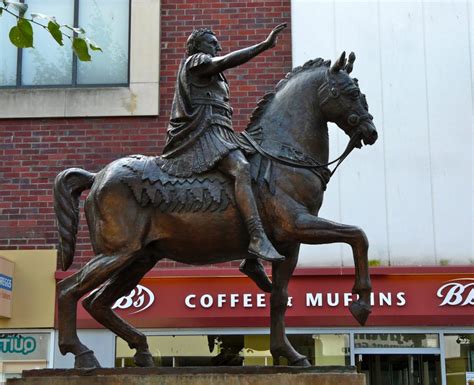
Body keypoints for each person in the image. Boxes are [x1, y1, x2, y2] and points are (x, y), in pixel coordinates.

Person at [161, 24, 287, 275]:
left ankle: (251, 260)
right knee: (241, 168)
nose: (217, 46)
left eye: (217, 43)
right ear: (198, 46)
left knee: (261, 164)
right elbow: (227, 60)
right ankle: (257, 238)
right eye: (212, 42)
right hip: (203, 134)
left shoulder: (212, 73)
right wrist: (263, 45)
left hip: (222, 132)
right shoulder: (195, 61)